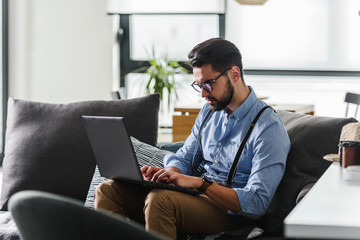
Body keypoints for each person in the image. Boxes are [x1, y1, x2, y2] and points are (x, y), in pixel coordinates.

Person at [94, 38, 290, 239]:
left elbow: (257, 203)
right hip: (195, 198)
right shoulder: (209, 112)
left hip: (231, 211)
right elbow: (185, 157)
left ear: (234, 73)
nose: (204, 94)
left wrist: (200, 183)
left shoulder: (268, 128)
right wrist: (170, 174)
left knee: (160, 200)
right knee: (108, 190)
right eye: (199, 85)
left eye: (208, 83)